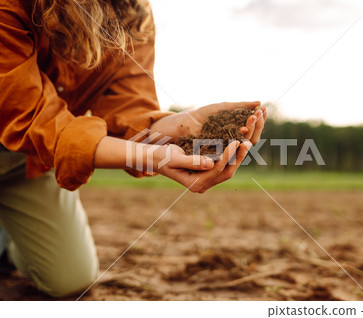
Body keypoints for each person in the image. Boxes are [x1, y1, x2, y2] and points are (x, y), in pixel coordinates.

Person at [0, 0, 266, 297]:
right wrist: (149, 156)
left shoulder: (131, 11)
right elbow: (26, 114)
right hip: (26, 137)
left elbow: (128, 108)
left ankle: (9, 243)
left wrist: (179, 129)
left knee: (70, 280)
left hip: (30, 163)